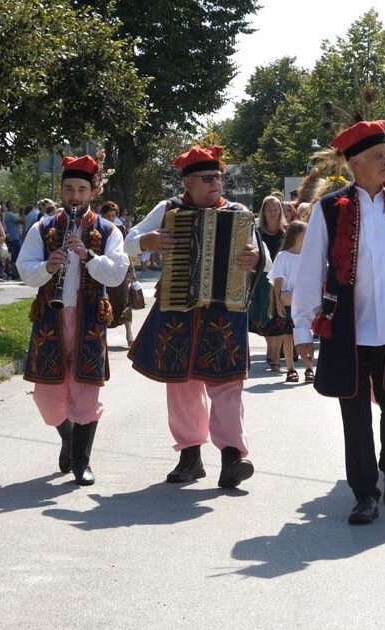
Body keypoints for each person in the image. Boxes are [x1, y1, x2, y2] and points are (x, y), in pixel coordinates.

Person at [292, 120, 385, 524]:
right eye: (378, 157)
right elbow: (308, 271)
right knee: (353, 411)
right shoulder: (329, 209)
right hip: (347, 328)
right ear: (356, 163)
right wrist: (302, 328)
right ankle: (363, 492)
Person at [125, 145, 266, 489]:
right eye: (206, 178)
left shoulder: (240, 213)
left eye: (218, 177)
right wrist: (149, 241)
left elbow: (263, 260)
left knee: (228, 384)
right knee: (182, 385)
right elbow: (127, 243)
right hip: (178, 309)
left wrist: (254, 260)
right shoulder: (168, 209)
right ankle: (190, 456)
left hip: (224, 311)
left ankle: (233, 456)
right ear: (187, 183)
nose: (215, 183)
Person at [18, 155, 129, 485]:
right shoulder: (44, 227)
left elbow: (117, 273)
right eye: (69, 189)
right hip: (50, 318)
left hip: (90, 319)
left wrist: (88, 255)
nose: (75, 196)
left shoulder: (108, 230)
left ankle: (82, 460)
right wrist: (48, 267)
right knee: (46, 396)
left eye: (82, 189)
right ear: (62, 191)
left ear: (93, 192)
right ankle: (68, 436)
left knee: (85, 391)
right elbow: (26, 271)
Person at [249, 195, 290, 371]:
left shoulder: (287, 232)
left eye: (276, 209)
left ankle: (275, 357)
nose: (273, 212)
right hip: (262, 279)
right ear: (264, 211)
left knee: (280, 318)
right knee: (265, 319)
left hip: (282, 279)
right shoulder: (256, 233)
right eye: (269, 209)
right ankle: (271, 349)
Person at [270, 221, 311, 383]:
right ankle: (290, 368)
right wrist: (278, 303)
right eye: (304, 233)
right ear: (296, 235)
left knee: (306, 335)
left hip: (305, 302)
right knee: (288, 336)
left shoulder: (309, 255)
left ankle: (309, 368)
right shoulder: (283, 257)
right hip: (288, 301)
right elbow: (277, 280)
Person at [99, 200, 137, 347]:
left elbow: (127, 250)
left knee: (124, 300)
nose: (111, 219)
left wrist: (132, 269)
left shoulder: (120, 228)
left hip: (121, 270)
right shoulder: (98, 229)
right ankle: (103, 335)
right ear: (102, 215)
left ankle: (129, 333)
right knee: (105, 302)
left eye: (113, 215)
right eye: (108, 215)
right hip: (104, 270)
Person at [2, 200, 23, 279]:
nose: (14, 205)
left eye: (14, 204)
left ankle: (14, 272)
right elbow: (21, 221)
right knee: (16, 256)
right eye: (12, 204)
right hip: (14, 238)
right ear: (8, 206)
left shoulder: (11, 214)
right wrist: (23, 212)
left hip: (16, 237)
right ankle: (15, 273)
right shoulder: (9, 214)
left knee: (15, 255)